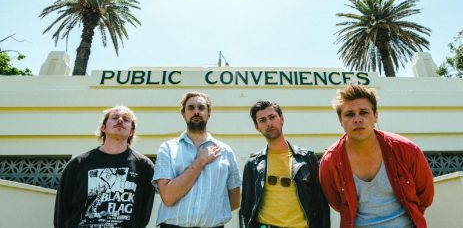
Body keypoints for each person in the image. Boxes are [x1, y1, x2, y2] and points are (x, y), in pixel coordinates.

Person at [319, 85, 434, 228]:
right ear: (340, 121)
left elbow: (425, 195)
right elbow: (336, 203)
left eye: (363, 112)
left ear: (375, 116)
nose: (357, 119)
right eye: (349, 114)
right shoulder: (330, 161)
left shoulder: (406, 149)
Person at [54, 105, 155, 228]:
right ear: (103, 128)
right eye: (115, 117)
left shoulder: (144, 166)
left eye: (126, 119)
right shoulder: (77, 164)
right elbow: (62, 211)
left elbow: (143, 214)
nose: (120, 120)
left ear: (131, 132)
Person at [153, 92, 241, 228]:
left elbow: (235, 200)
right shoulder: (168, 148)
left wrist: (211, 213)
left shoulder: (225, 151)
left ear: (208, 113)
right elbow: (168, 197)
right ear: (183, 114)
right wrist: (200, 161)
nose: (196, 111)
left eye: (201, 108)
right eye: (191, 108)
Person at [239, 100, 330, 228]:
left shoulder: (307, 158)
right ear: (257, 127)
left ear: (281, 118)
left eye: (272, 117)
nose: (269, 123)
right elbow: (245, 209)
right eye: (262, 120)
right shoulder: (252, 164)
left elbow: (321, 205)